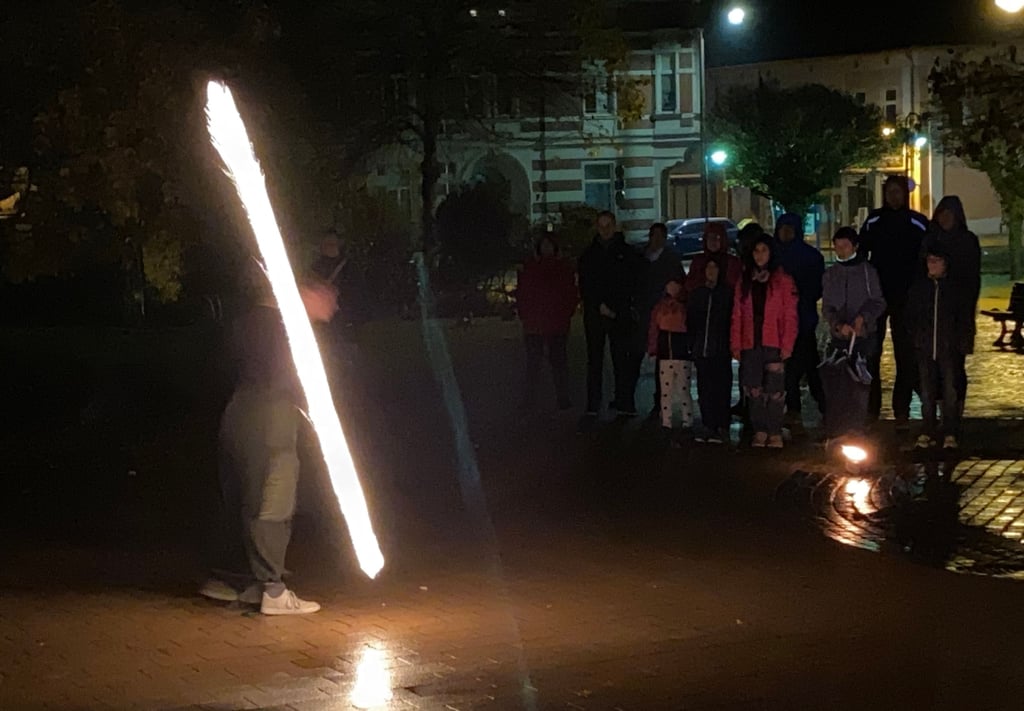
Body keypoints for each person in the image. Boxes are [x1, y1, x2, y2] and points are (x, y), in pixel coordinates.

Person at [201, 274, 340, 615]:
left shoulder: (244, 322)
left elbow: (222, 368)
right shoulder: (285, 328)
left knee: (245, 498)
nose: (333, 306)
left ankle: (241, 579)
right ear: (304, 293)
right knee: (272, 500)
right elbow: (287, 378)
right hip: (269, 420)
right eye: (326, 296)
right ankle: (273, 590)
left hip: (238, 414)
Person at [858, 175, 929, 428]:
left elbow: (927, 256)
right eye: (890, 192)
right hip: (877, 297)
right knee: (872, 353)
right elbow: (861, 254)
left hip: (906, 298)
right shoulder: (874, 220)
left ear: (905, 194)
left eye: (898, 192)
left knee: (905, 355)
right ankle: (871, 409)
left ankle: (902, 409)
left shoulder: (918, 222)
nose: (894, 197)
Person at [731, 235, 798, 449]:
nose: (760, 255)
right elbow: (737, 315)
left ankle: (775, 430)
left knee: (775, 390)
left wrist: (787, 344)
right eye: (756, 251)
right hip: (751, 342)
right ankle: (760, 429)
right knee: (754, 389)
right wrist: (736, 343)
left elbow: (790, 315)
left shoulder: (783, 281)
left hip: (774, 341)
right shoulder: (744, 282)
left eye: (764, 250)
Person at [820, 227, 886, 441]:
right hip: (840, 338)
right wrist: (838, 325)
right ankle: (842, 425)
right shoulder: (831, 274)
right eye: (837, 247)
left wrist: (863, 318)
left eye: (845, 246)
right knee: (840, 381)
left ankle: (866, 421)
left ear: (855, 246)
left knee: (864, 380)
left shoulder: (868, 271)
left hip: (864, 336)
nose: (841, 251)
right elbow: (827, 307)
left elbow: (879, 302)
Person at [578, 211, 643, 428]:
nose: (605, 229)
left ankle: (623, 401)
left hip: (618, 314)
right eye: (602, 225)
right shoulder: (589, 255)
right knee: (594, 360)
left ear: (614, 225)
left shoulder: (626, 253)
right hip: (596, 314)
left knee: (620, 359)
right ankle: (593, 404)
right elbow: (585, 285)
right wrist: (598, 306)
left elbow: (631, 282)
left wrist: (617, 309)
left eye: (608, 225)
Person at [906, 248, 971, 449]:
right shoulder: (920, 288)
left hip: (947, 348)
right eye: (930, 261)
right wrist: (916, 338)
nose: (932, 265)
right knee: (927, 392)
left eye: (936, 261)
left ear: (945, 264)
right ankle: (928, 429)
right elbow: (910, 315)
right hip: (925, 347)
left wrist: (960, 342)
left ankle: (950, 431)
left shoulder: (953, 289)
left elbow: (963, 317)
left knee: (949, 391)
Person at [922, 196, 981, 413]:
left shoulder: (967, 240)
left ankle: (955, 413)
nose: (945, 218)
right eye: (942, 213)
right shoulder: (930, 239)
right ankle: (936, 415)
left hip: (958, 312)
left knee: (955, 366)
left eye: (950, 214)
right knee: (931, 370)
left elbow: (973, 279)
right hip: (932, 314)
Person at [773, 212, 825, 430]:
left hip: (803, 320)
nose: (786, 233)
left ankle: (825, 406)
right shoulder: (773, 254)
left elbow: (817, 288)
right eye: (782, 228)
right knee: (788, 370)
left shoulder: (810, 257)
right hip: (779, 323)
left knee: (810, 365)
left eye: (790, 228)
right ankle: (793, 408)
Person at [516, 234, 577, 411]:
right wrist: (525, 314)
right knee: (534, 364)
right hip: (536, 323)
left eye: (549, 245)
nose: (546, 249)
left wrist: (566, 313)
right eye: (544, 245)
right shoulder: (531, 267)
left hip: (555, 323)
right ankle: (530, 398)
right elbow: (523, 294)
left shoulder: (562, 268)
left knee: (558, 363)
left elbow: (570, 293)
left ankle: (562, 397)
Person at [633, 223, 685, 419]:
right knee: (636, 355)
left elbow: (679, 283)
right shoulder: (641, 258)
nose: (655, 239)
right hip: (643, 312)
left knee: (661, 360)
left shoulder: (670, 259)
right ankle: (626, 396)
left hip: (663, 316)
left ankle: (660, 401)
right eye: (653, 235)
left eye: (659, 236)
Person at [688, 260, 734, 444]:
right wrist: (693, 344)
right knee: (704, 388)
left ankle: (722, 424)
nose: (711, 271)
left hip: (721, 350)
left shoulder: (726, 294)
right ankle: (708, 424)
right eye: (708, 267)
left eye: (715, 267)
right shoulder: (697, 294)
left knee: (722, 387)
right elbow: (691, 321)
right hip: (702, 349)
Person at [647, 278, 693, 433]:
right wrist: (653, 348)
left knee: (683, 390)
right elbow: (654, 329)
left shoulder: (685, 307)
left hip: (681, 354)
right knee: (666, 390)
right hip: (665, 353)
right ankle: (666, 420)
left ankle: (687, 420)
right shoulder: (660, 307)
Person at [685, 222, 742, 294]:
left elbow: (737, 285)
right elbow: (688, 285)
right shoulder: (698, 261)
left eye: (717, 237)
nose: (713, 241)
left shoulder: (732, 262)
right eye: (710, 237)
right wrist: (703, 283)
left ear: (722, 240)